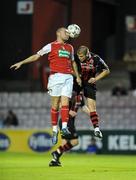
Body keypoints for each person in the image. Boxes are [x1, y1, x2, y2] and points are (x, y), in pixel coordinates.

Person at [10, 27, 81, 145]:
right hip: (55, 77)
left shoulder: (70, 47)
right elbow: (37, 56)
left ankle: (64, 128)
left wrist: (77, 76)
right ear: (58, 33)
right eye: (66, 32)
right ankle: (54, 130)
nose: (68, 34)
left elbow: (73, 62)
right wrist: (21, 62)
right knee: (55, 105)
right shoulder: (50, 46)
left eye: (69, 32)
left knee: (65, 103)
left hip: (68, 77)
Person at [49, 76, 89, 167]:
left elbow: (83, 107)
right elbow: (61, 104)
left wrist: (93, 114)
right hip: (66, 121)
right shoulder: (71, 93)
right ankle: (56, 153)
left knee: (64, 143)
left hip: (67, 121)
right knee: (75, 142)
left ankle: (54, 160)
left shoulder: (80, 96)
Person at [76, 45, 110, 138]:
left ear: (87, 54)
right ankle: (63, 125)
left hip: (89, 83)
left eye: (81, 56)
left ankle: (97, 129)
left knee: (92, 108)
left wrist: (95, 79)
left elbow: (106, 70)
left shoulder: (96, 58)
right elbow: (71, 67)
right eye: (78, 56)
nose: (80, 58)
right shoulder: (75, 58)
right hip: (77, 83)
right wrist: (77, 77)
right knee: (74, 105)